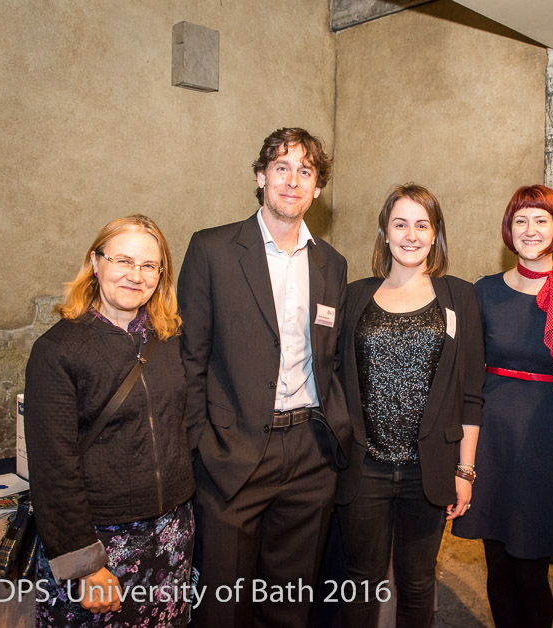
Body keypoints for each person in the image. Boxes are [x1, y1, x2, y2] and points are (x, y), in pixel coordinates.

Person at [178, 127, 351, 627]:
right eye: (281, 168)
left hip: (311, 454)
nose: (292, 181)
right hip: (232, 454)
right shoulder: (212, 249)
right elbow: (190, 358)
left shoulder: (332, 263)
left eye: (305, 171)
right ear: (261, 177)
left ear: (317, 187)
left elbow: (332, 358)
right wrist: (199, 445)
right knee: (223, 606)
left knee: (290, 606)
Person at [24, 215, 195, 626]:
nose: (136, 276)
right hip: (100, 542)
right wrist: (85, 564)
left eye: (149, 265)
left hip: (170, 536)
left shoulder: (168, 339)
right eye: (123, 261)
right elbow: (52, 468)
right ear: (95, 263)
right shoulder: (58, 350)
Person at [335, 183, 485, 627]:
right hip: (364, 468)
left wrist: (465, 471)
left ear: (436, 234)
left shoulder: (459, 297)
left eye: (422, 225)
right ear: (385, 232)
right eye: (400, 224)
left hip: (429, 469)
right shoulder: (353, 296)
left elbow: (471, 395)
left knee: (418, 582)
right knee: (360, 581)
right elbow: (333, 379)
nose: (411, 235)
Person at [451, 185, 553, 627]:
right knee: (497, 564)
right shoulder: (484, 292)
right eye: (521, 220)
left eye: (541, 220)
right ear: (508, 229)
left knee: (532, 570)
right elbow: (467, 374)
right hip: (492, 441)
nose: (530, 230)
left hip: (548, 445)